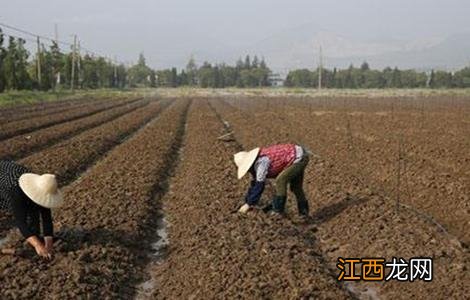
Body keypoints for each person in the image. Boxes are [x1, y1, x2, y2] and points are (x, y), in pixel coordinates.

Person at [0, 160, 63, 259]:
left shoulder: (43, 185)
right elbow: (21, 222)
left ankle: (34, 239)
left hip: (11, 177)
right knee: (23, 213)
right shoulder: (15, 192)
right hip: (6, 182)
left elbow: (46, 219)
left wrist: (48, 244)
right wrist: (38, 245)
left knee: (33, 212)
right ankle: (3, 251)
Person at [233, 143, 310, 216]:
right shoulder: (258, 162)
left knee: (281, 180)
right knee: (296, 187)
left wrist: (248, 204)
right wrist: (248, 200)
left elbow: (259, 185)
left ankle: (278, 210)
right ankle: (304, 213)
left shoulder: (261, 163)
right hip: (297, 154)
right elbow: (255, 184)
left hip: (298, 157)